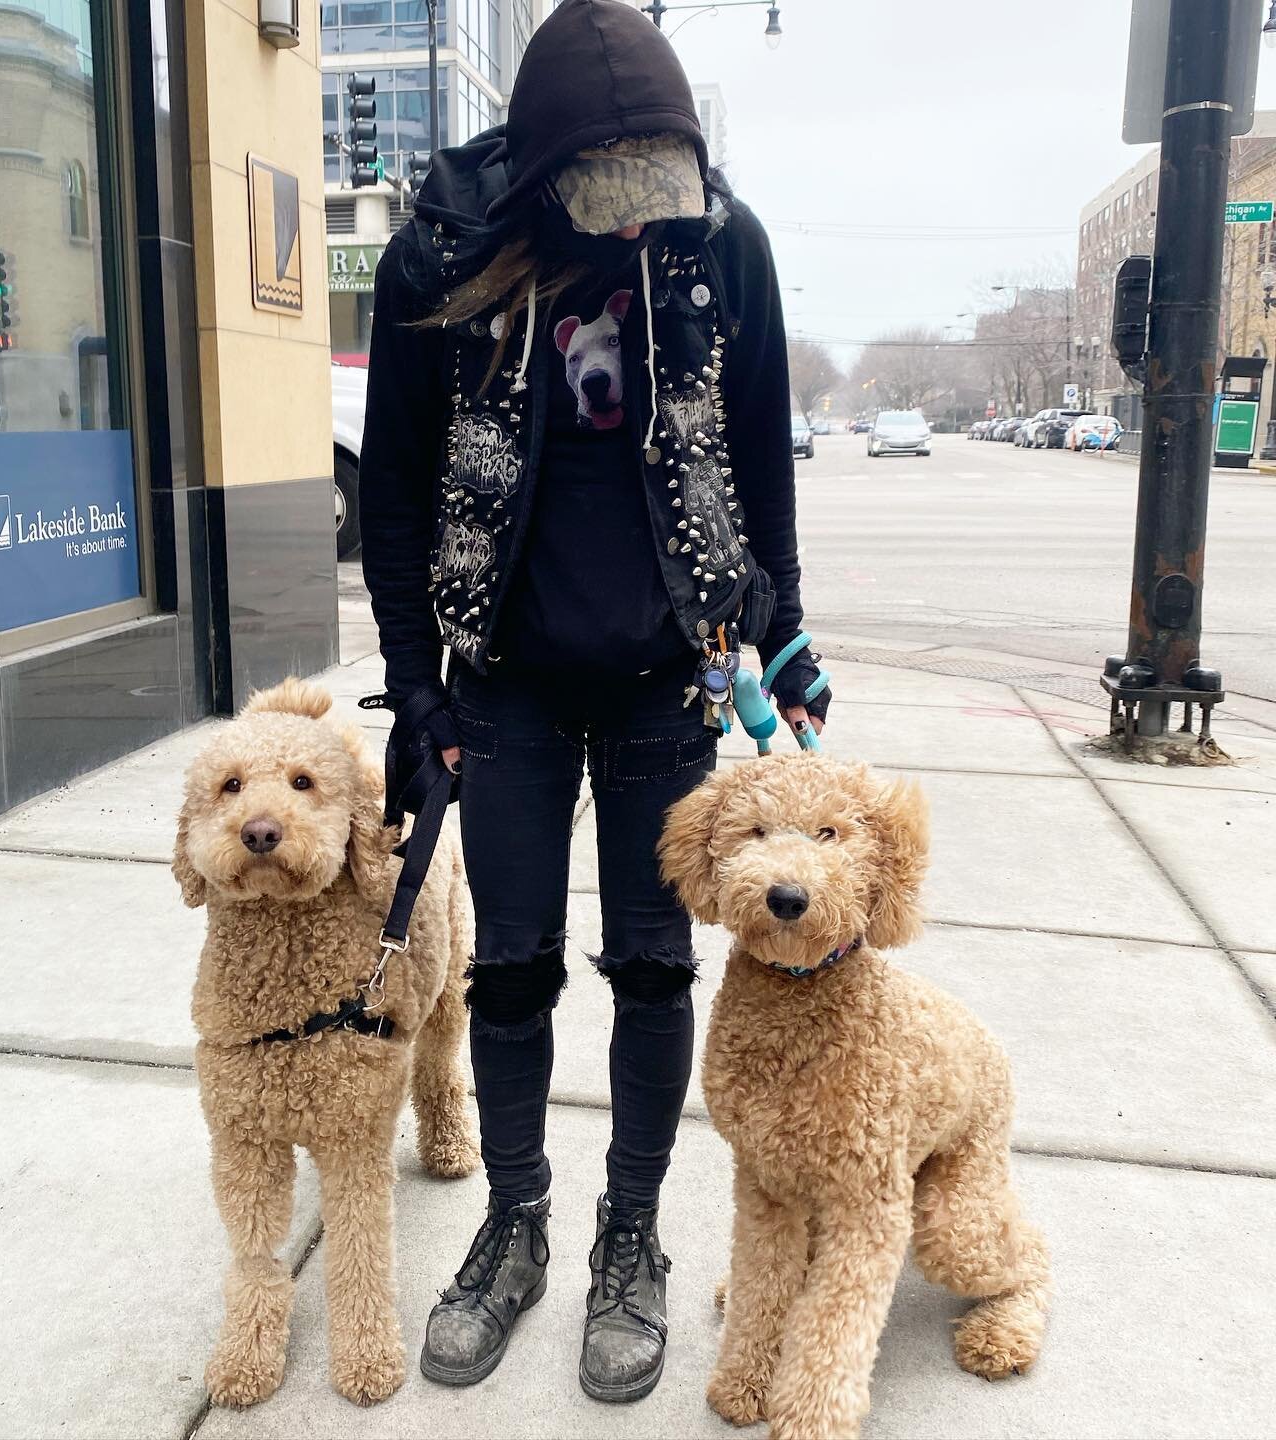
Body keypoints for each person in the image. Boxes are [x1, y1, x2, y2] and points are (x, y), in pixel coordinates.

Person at [359, 0, 830, 1404]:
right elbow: (392, 490)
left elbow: (759, 458)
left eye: (657, 202)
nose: (638, 231)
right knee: (507, 970)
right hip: (496, 685)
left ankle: (632, 1239)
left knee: (652, 964)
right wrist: (411, 685)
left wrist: (782, 633)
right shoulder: (442, 259)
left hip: (664, 685)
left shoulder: (719, 245)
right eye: (611, 202)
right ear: (548, 167)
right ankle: (515, 1225)